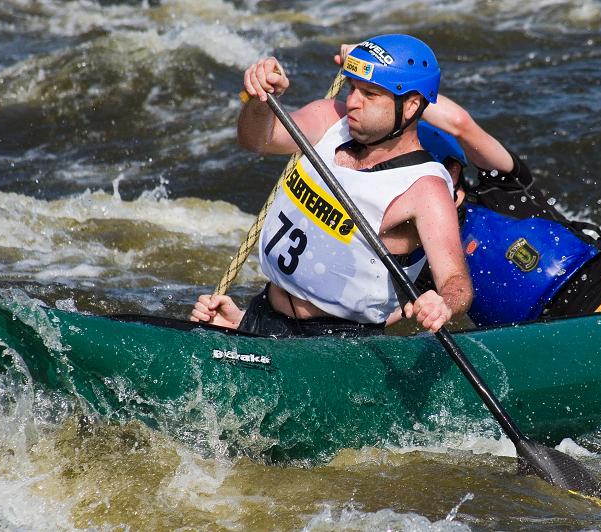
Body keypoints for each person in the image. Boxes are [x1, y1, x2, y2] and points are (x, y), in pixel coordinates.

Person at [190, 34, 472, 337]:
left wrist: (443, 304)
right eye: (352, 88)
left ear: (410, 105)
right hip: (262, 313)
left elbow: (457, 282)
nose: (352, 102)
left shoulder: (425, 188)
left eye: (370, 94)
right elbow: (256, 139)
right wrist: (260, 99)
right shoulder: (328, 118)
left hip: (336, 343)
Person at [414, 94, 601, 326]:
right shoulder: (419, 258)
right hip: (553, 342)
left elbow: (460, 124)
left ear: (452, 171)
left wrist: (400, 93)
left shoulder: (503, 188)